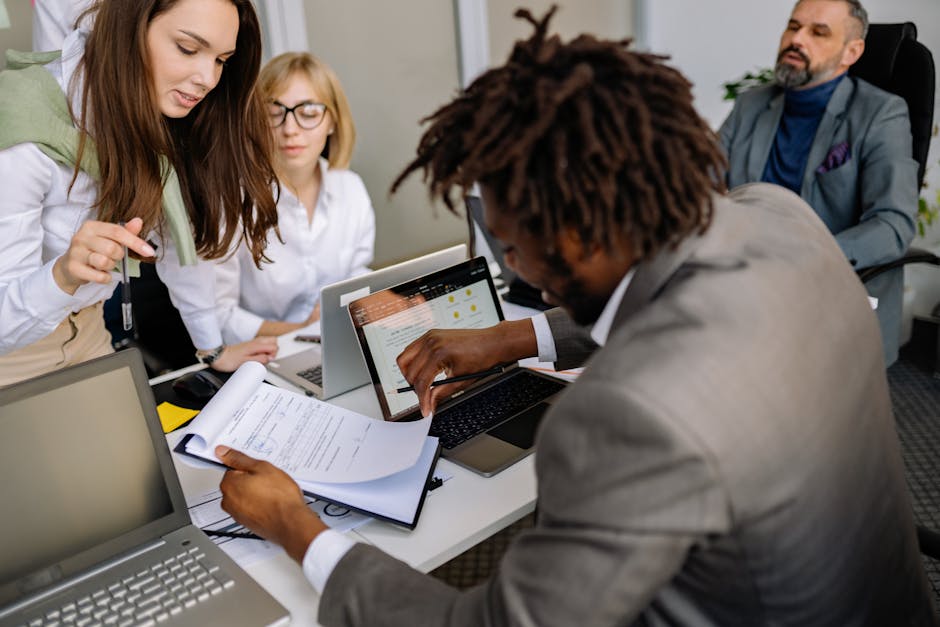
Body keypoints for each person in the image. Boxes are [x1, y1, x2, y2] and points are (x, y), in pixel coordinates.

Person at [215, 8, 935, 625]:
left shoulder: (625, 416)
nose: (514, 267)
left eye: (515, 248)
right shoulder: (781, 216)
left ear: (579, 240)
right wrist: (508, 335)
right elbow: (661, 291)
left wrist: (298, 526)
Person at [0, 0, 280, 385]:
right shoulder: (25, 125)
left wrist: (211, 348)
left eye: (221, 60)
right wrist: (64, 274)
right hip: (10, 356)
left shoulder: (152, 110)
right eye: (187, 48)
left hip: (92, 336)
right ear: (130, 28)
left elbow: (178, 247)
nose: (208, 79)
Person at [719, 0, 918, 367]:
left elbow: (893, 224)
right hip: (743, 277)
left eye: (818, 32)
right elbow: (703, 185)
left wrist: (804, 257)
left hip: (822, 286)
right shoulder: (751, 104)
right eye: (793, 27)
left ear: (852, 51)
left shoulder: (881, 114)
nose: (797, 39)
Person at [214, 52, 375, 343]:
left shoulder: (351, 189)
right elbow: (220, 316)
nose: (290, 129)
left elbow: (357, 276)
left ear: (332, 122)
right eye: (274, 112)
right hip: (264, 353)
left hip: (342, 343)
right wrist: (302, 331)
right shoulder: (232, 202)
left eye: (309, 113)